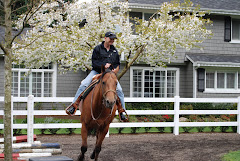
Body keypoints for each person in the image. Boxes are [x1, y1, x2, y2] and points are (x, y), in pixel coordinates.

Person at [66, 31, 127, 121]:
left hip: (110, 74)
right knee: (84, 84)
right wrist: (103, 65)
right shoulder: (97, 49)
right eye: (111, 39)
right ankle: (74, 105)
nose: (112, 40)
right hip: (97, 72)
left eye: (113, 39)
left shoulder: (114, 51)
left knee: (120, 90)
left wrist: (116, 70)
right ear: (105, 38)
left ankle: (122, 111)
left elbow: (117, 63)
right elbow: (94, 63)